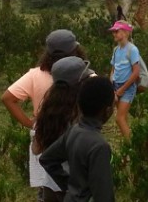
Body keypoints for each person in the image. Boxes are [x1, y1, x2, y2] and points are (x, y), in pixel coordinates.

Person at [1, 29, 85, 198]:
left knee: (48, 187)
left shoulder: (35, 75)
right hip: (77, 137)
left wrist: (30, 123)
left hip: (45, 136)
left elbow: (7, 98)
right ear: (75, 52)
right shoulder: (84, 75)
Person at [40, 76, 116, 202]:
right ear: (107, 111)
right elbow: (104, 196)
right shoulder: (99, 146)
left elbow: (47, 159)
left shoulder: (74, 131)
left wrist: (70, 186)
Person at [33, 56, 94, 202]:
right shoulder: (80, 115)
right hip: (75, 185)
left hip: (50, 183)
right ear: (81, 84)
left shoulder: (47, 111)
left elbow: (36, 149)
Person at [108, 20, 140, 139]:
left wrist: (122, 89)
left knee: (119, 118)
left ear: (126, 33)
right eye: (113, 32)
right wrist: (112, 83)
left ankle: (132, 148)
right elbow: (113, 68)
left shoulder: (132, 50)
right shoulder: (116, 50)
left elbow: (136, 72)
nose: (114, 34)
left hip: (127, 88)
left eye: (117, 31)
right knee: (123, 118)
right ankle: (126, 144)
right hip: (116, 86)